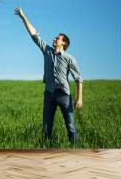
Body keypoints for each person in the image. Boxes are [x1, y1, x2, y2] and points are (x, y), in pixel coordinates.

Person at [14, 7, 83, 144]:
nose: (54, 39)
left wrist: (79, 98)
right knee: (46, 128)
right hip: (49, 94)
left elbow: (78, 78)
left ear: (63, 43)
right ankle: (46, 150)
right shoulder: (47, 51)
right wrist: (23, 17)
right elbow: (34, 35)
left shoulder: (69, 58)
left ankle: (76, 151)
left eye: (58, 38)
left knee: (71, 127)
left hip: (64, 95)